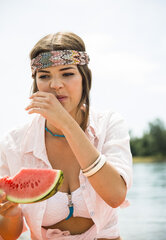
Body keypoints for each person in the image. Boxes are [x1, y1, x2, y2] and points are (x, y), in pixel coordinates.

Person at [0, 32, 133, 240]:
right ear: (36, 83)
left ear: (84, 78)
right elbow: (8, 234)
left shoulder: (109, 124)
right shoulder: (13, 143)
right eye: (44, 76)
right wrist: (12, 213)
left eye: (67, 73)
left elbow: (116, 196)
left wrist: (65, 123)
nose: (55, 84)